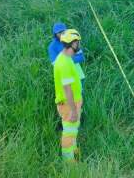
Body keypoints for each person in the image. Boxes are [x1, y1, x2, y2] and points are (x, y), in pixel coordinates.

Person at [53, 29, 84, 162]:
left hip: (74, 101)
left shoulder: (65, 56)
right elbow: (67, 89)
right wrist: (72, 110)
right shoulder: (64, 63)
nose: (79, 45)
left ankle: (73, 149)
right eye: (78, 42)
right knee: (69, 131)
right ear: (74, 44)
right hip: (68, 104)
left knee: (73, 128)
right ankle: (68, 160)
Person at [48, 23, 86, 92]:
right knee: (69, 92)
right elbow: (55, 63)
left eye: (63, 31)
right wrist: (72, 59)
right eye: (59, 32)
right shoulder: (52, 46)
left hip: (77, 71)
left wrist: (66, 60)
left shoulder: (73, 40)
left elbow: (81, 57)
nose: (61, 34)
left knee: (80, 90)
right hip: (65, 72)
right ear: (55, 34)